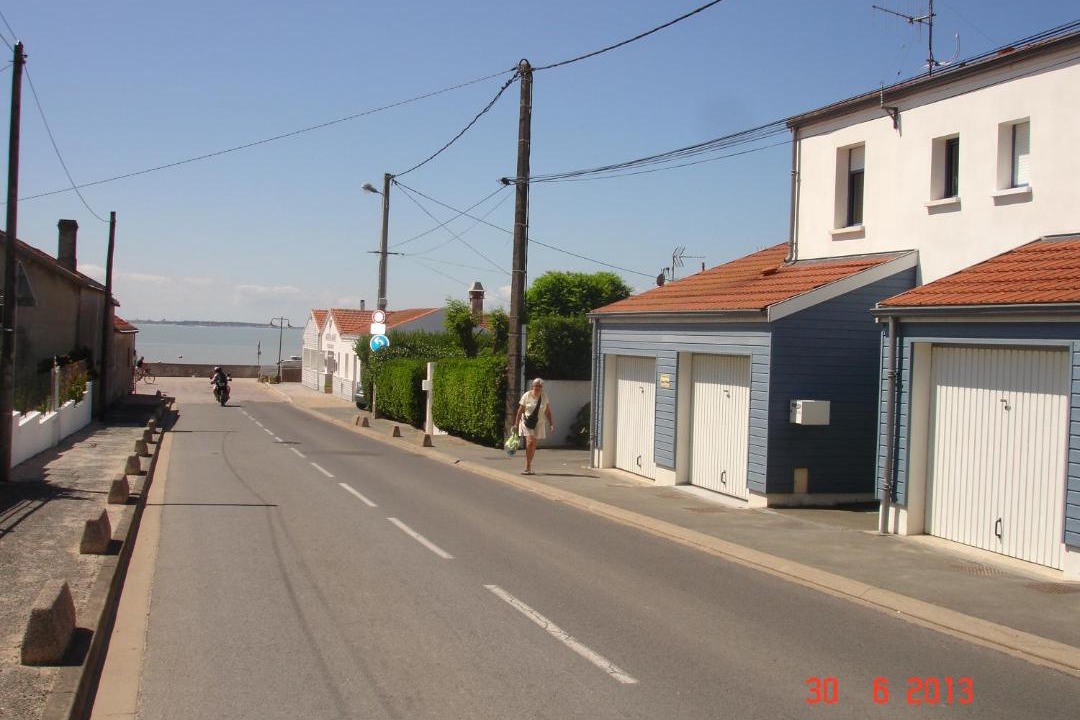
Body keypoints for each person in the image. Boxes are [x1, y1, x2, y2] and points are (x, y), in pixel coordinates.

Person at [514, 377, 554, 475]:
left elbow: (547, 411)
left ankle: (529, 466)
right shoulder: (526, 395)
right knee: (530, 441)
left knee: (533, 445)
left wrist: (551, 423)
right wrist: (516, 423)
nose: (537, 388)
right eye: (536, 386)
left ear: (542, 387)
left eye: (539, 386)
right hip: (527, 422)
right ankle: (527, 467)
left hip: (539, 423)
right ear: (533, 386)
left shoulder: (544, 396)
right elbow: (520, 410)